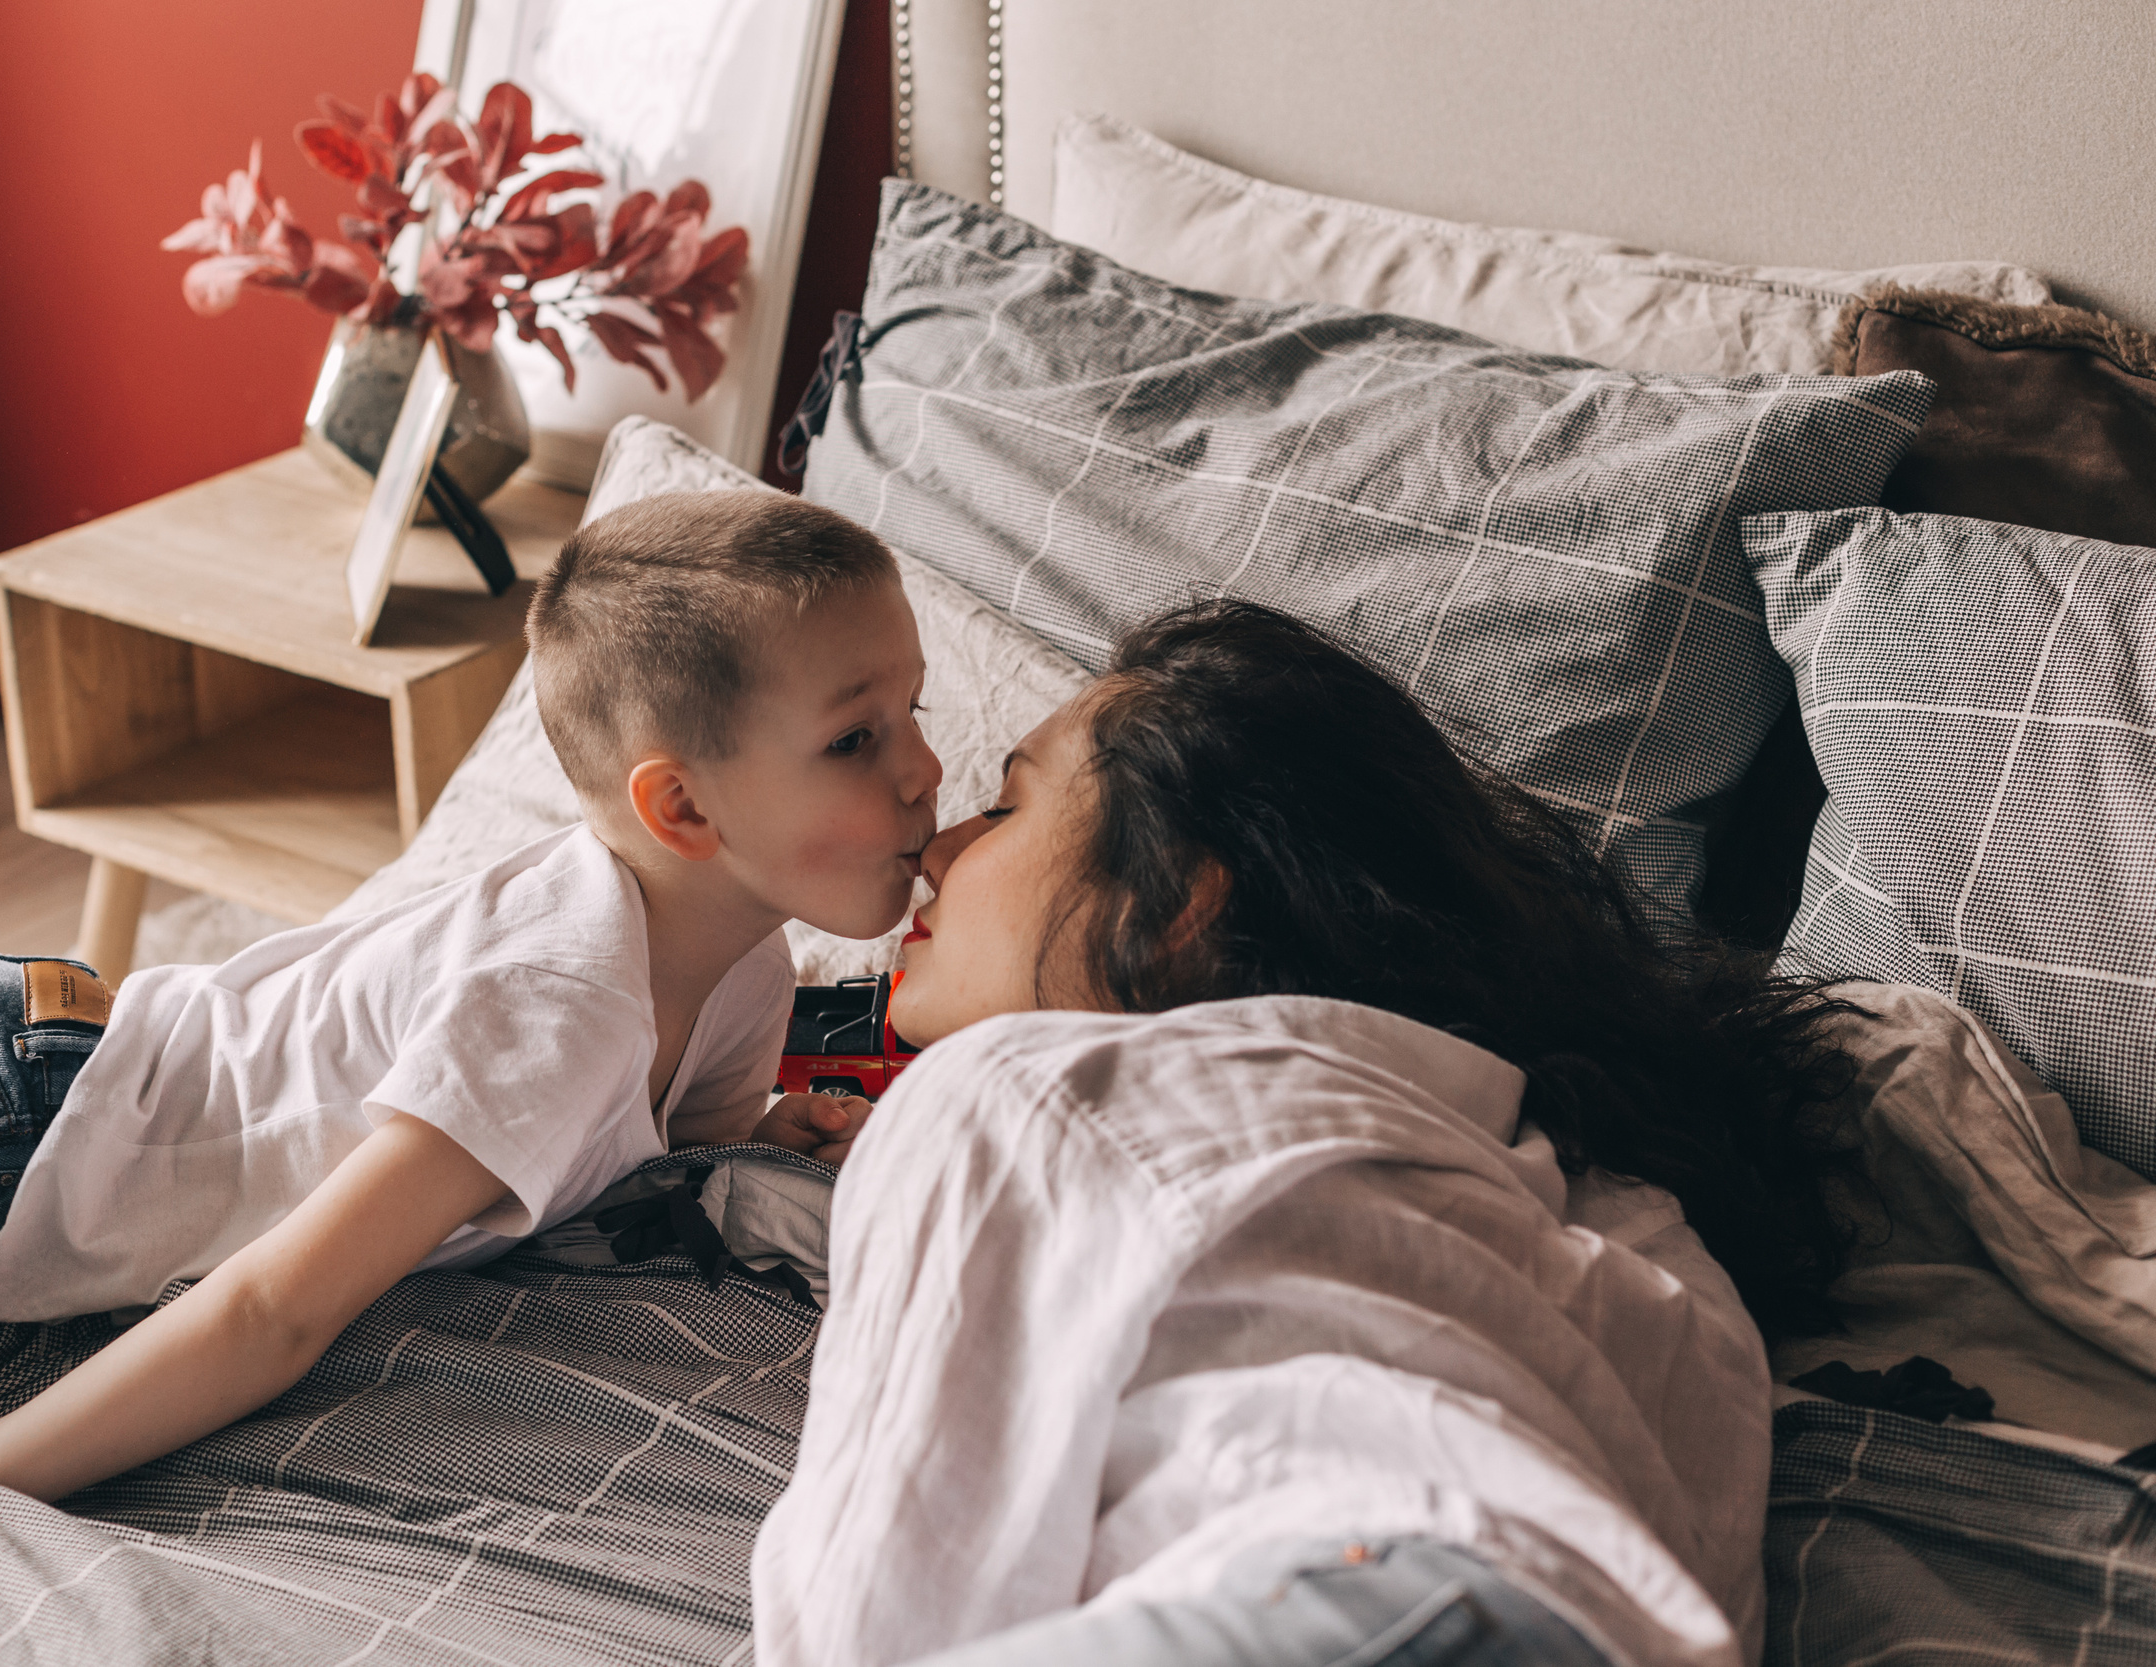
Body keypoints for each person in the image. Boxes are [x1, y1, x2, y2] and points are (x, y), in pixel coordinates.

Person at [0, 491, 926, 1558]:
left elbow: (652, 1166)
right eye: (858, 738)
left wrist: (764, 1141)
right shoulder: (557, 1001)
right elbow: (272, 1309)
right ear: (683, 811)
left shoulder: (744, 955)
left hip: (51, 1089)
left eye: (912, 710)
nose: (926, 768)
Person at [752, 600, 1862, 1667]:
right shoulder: (1614, 1213)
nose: (934, 849)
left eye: (1003, 809)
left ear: (1172, 898)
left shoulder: (1024, 1087)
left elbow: (877, 1612)